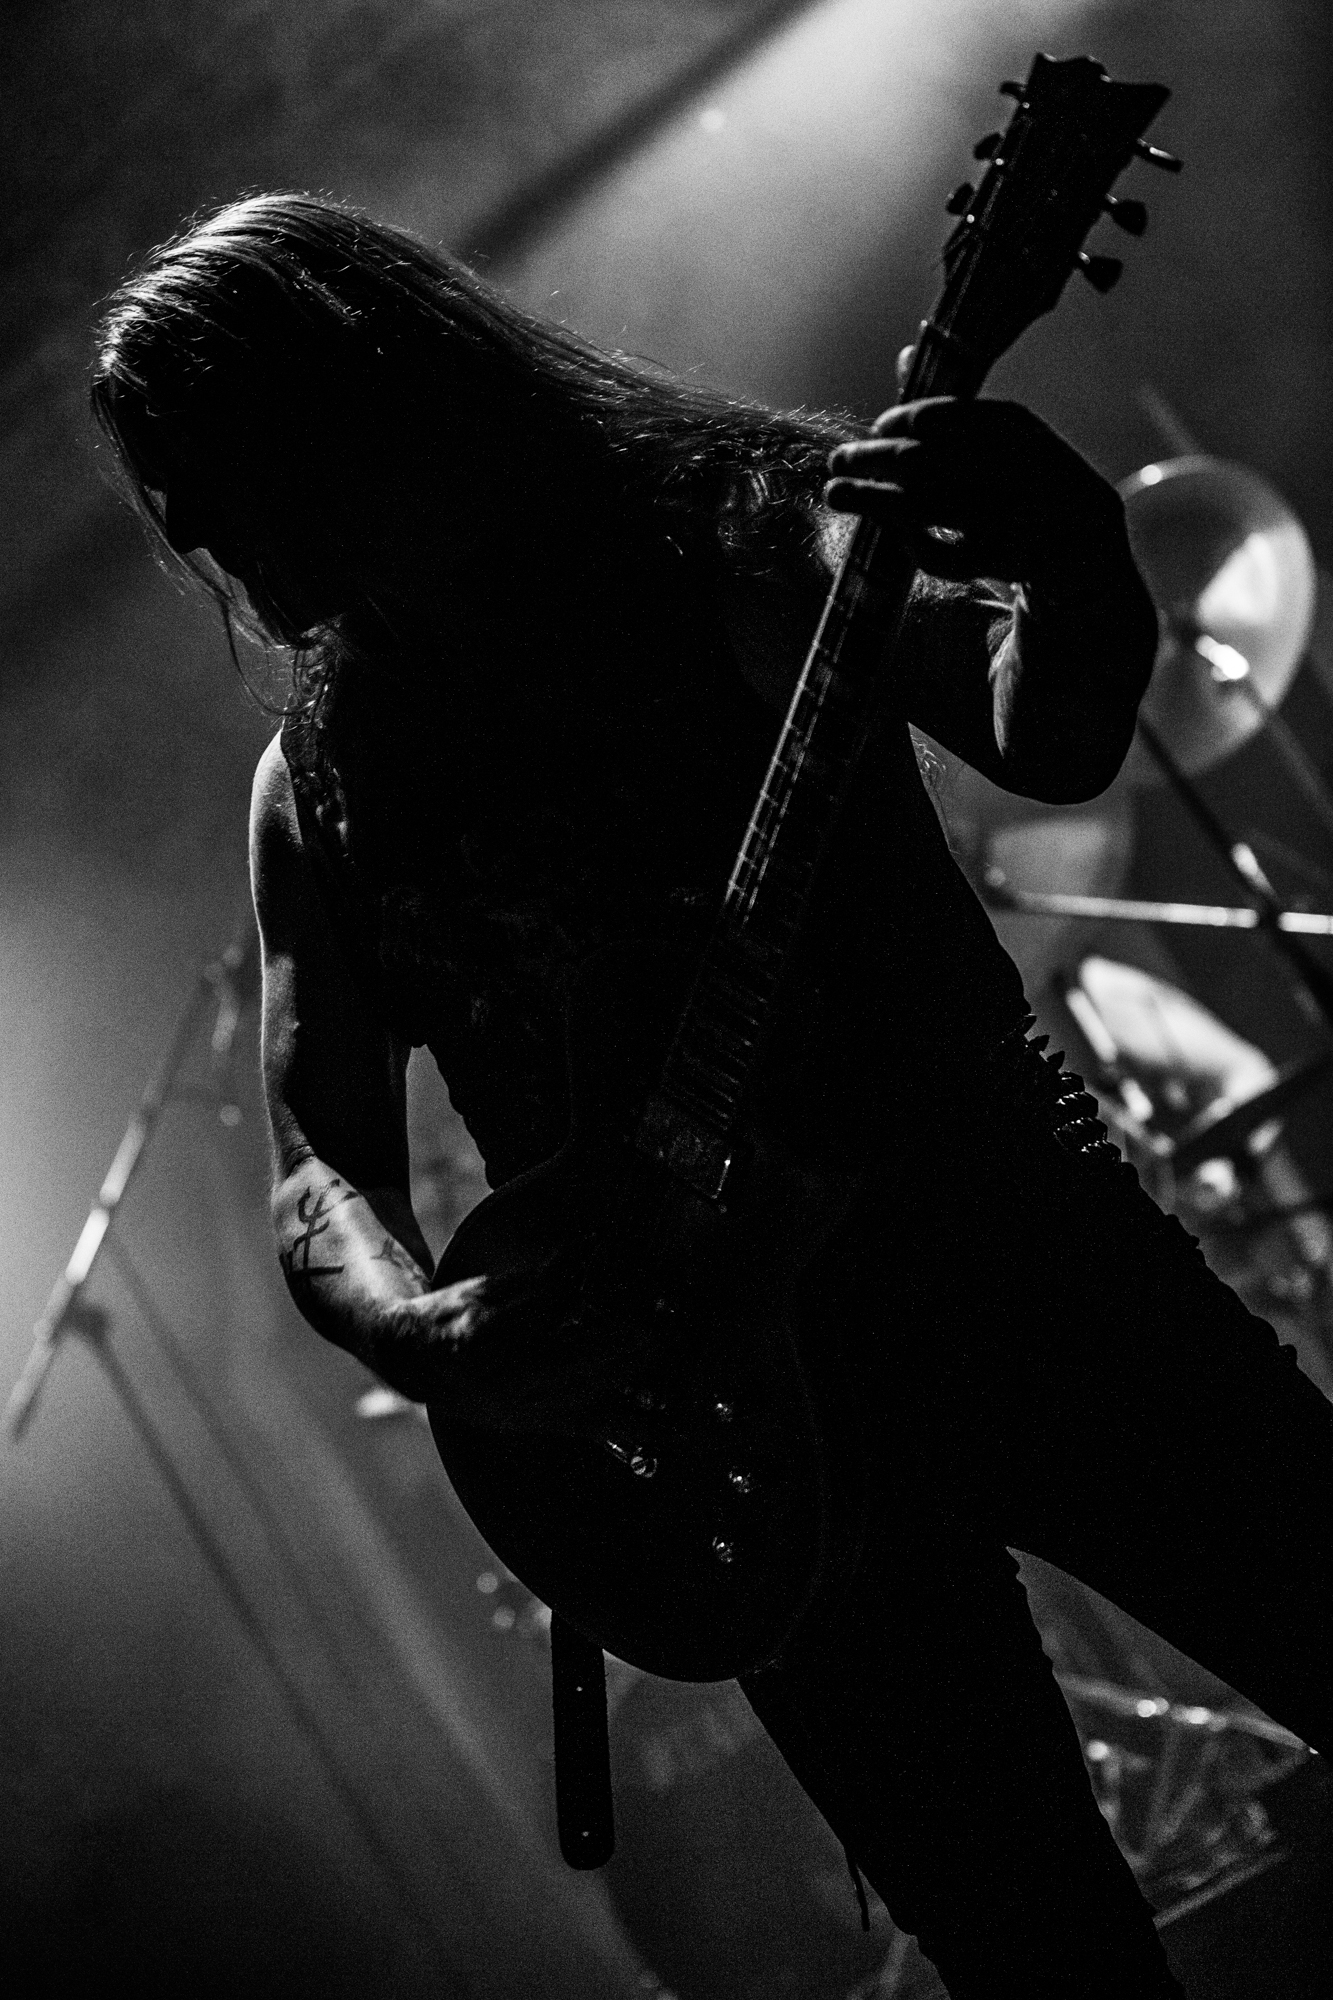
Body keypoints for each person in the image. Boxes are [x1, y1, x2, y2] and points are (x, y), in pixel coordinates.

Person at [91, 193, 1333, 1999]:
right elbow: (314, 1162)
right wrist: (430, 1333)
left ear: (342, 405)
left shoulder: (722, 535)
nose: (192, 529)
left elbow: (1042, 733)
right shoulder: (315, 785)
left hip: (1021, 1272)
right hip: (744, 1428)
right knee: (1033, 1953)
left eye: (204, 467)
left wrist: (1071, 559)